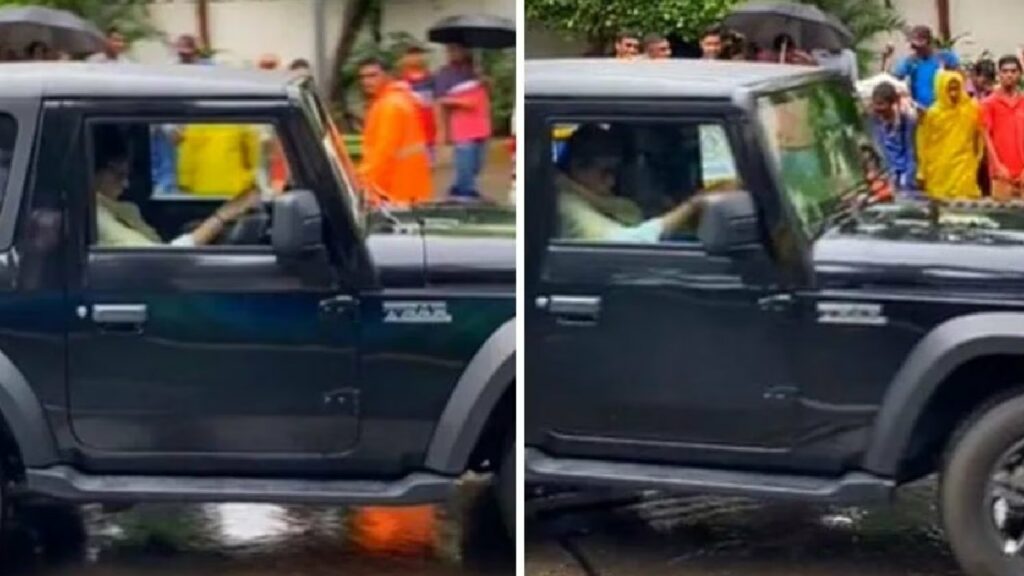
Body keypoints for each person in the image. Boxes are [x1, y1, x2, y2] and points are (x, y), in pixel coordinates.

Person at [92, 127, 257, 248]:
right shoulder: (95, 218)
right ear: (92, 171)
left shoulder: (117, 209)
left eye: (127, 175)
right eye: (119, 175)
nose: (126, 184)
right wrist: (220, 219)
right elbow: (156, 259)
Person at [557, 125, 702, 243]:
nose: (612, 181)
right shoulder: (568, 204)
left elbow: (632, 213)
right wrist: (692, 206)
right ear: (578, 167)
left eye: (616, 172)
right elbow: (624, 244)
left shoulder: (599, 201)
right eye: (605, 172)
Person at [358, 56, 432, 205]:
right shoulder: (397, 99)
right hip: (409, 187)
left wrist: (361, 182)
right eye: (363, 77)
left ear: (387, 75)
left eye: (372, 75)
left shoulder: (390, 106)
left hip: (397, 190)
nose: (367, 81)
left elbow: (383, 152)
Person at [435, 44, 491, 199]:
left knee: (476, 166)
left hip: (481, 126)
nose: (452, 53)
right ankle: (464, 197)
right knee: (465, 168)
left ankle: (458, 192)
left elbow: (486, 93)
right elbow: (440, 101)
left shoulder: (475, 71)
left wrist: (484, 80)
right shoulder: (444, 74)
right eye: (449, 50)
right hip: (462, 129)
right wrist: (462, 102)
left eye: (456, 49)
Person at [916, 71, 983, 200]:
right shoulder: (932, 114)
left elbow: (979, 135)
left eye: (956, 89)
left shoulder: (971, 109)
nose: (954, 94)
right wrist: (922, 171)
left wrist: (976, 159)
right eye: (949, 89)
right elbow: (923, 143)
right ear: (941, 89)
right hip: (939, 169)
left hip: (963, 167)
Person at [981, 55, 1024, 201]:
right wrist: (998, 166)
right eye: (1005, 71)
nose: (1009, 75)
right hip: (1002, 174)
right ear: (999, 75)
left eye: (1013, 71)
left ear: (1020, 74)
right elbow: (986, 137)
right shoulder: (989, 103)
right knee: (1004, 219)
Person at [892, 25, 960, 108]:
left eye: (920, 46)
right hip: (920, 109)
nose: (917, 49)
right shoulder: (910, 61)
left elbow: (959, 77)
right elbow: (895, 79)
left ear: (929, 42)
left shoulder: (945, 57)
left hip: (943, 109)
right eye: (914, 46)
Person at [869, 82, 917, 192]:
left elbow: (911, 152)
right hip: (884, 176)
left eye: (881, 104)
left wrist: (907, 180)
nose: (877, 108)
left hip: (905, 175)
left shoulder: (906, 121)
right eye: (875, 104)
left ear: (892, 103)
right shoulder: (874, 121)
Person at [398, 44, 437, 165]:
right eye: (411, 55)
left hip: (429, 128)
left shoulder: (431, 79)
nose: (415, 58)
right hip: (409, 129)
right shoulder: (401, 80)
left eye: (418, 54)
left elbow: (438, 102)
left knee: (429, 166)